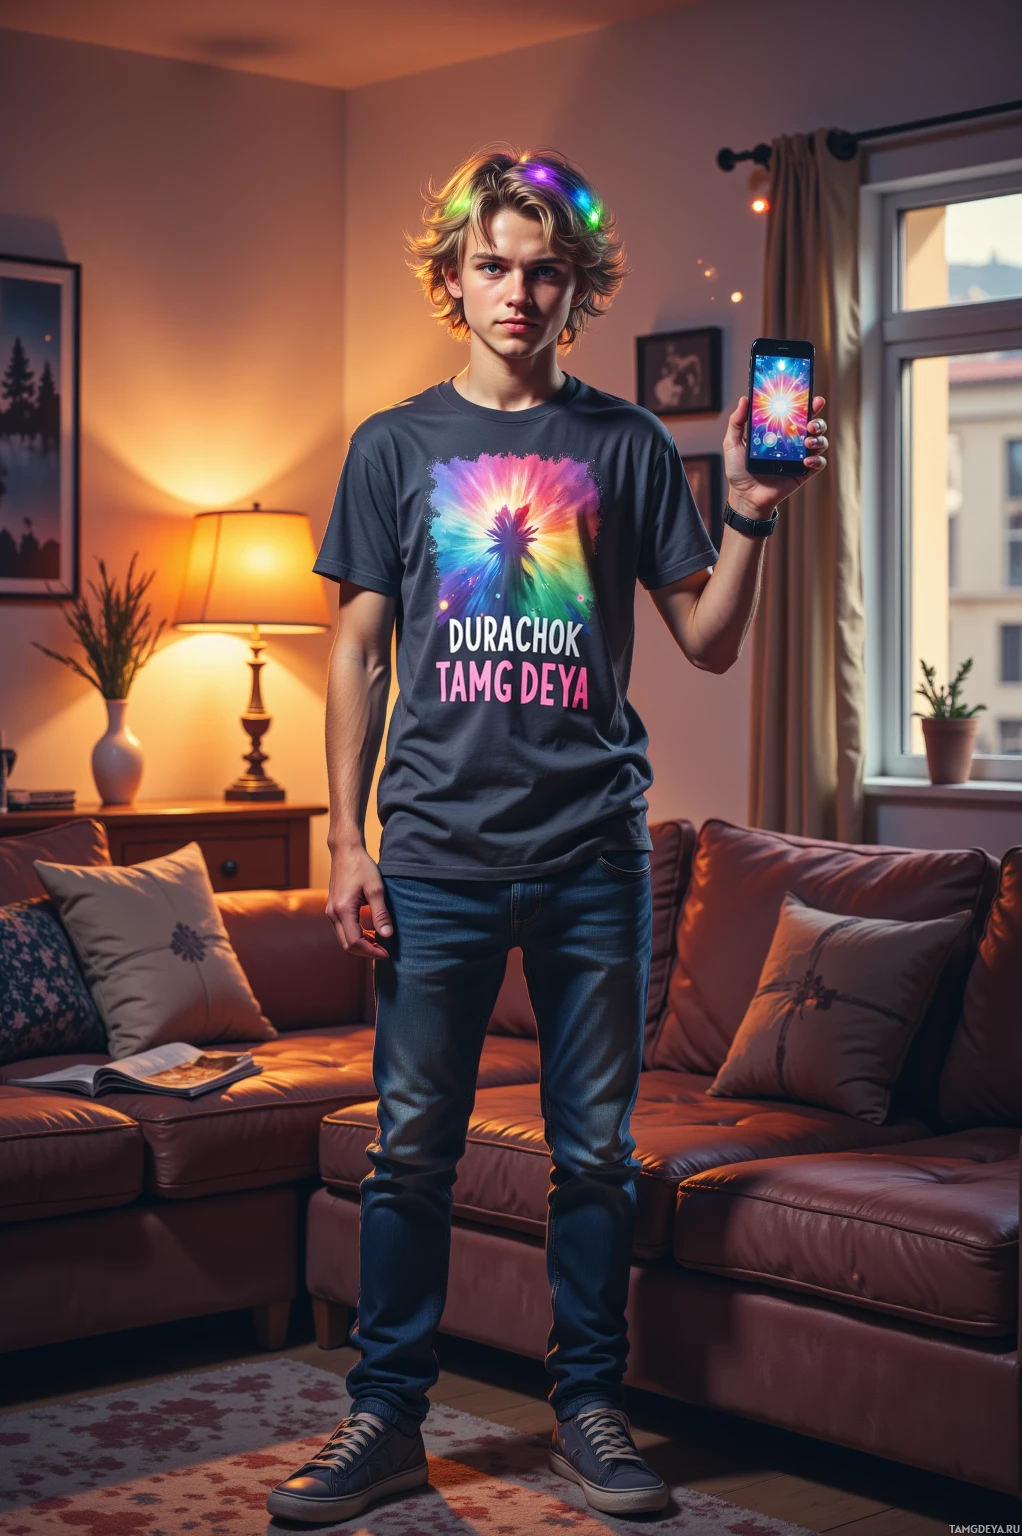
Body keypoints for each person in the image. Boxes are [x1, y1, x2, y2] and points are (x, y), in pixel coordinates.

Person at [266, 143, 828, 1526]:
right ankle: (384, 1417)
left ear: (579, 288)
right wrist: (346, 839)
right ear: (452, 279)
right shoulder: (394, 446)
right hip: (438, 858)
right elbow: (356, 655)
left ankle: (591, 1408)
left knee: (592, 1156)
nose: (519, 292)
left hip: (592, 860)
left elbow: (704, 641)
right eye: (493, 266)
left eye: (545, 271)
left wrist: (751, 516)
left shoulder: (627, 446)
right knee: (413, 1149)